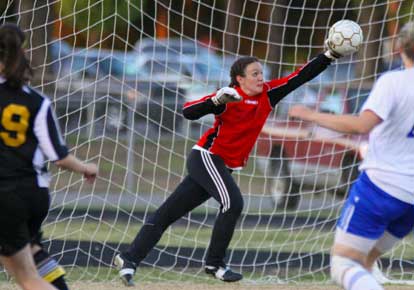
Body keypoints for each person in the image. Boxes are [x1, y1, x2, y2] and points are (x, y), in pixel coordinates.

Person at [114, 30, 358, 286]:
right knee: (233, 202)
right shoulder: (228, 96)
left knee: (167, 214)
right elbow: (188, 112)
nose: (260, 78)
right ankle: (215, 264)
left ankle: (128, 258)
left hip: (223, 166)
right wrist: (216, 101)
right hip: (206, 158)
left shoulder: (268, 94)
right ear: (239, 79)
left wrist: (329, 55)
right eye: (254, 74)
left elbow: (300, 77)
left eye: (261, 73)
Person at [288, 21, 414, 290]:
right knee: (366, 260)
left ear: (400, 46)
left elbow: (361, 126)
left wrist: (309, 114)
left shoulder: (394, 82)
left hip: (381, 187)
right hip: (411, 199)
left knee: (344, 265)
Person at [0, 23, 98, 290]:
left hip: (4, 194)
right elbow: (58, 156)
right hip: (34, 193)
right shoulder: (37, 101)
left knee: (27, 278)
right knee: (31, 251)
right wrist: (85, 167)